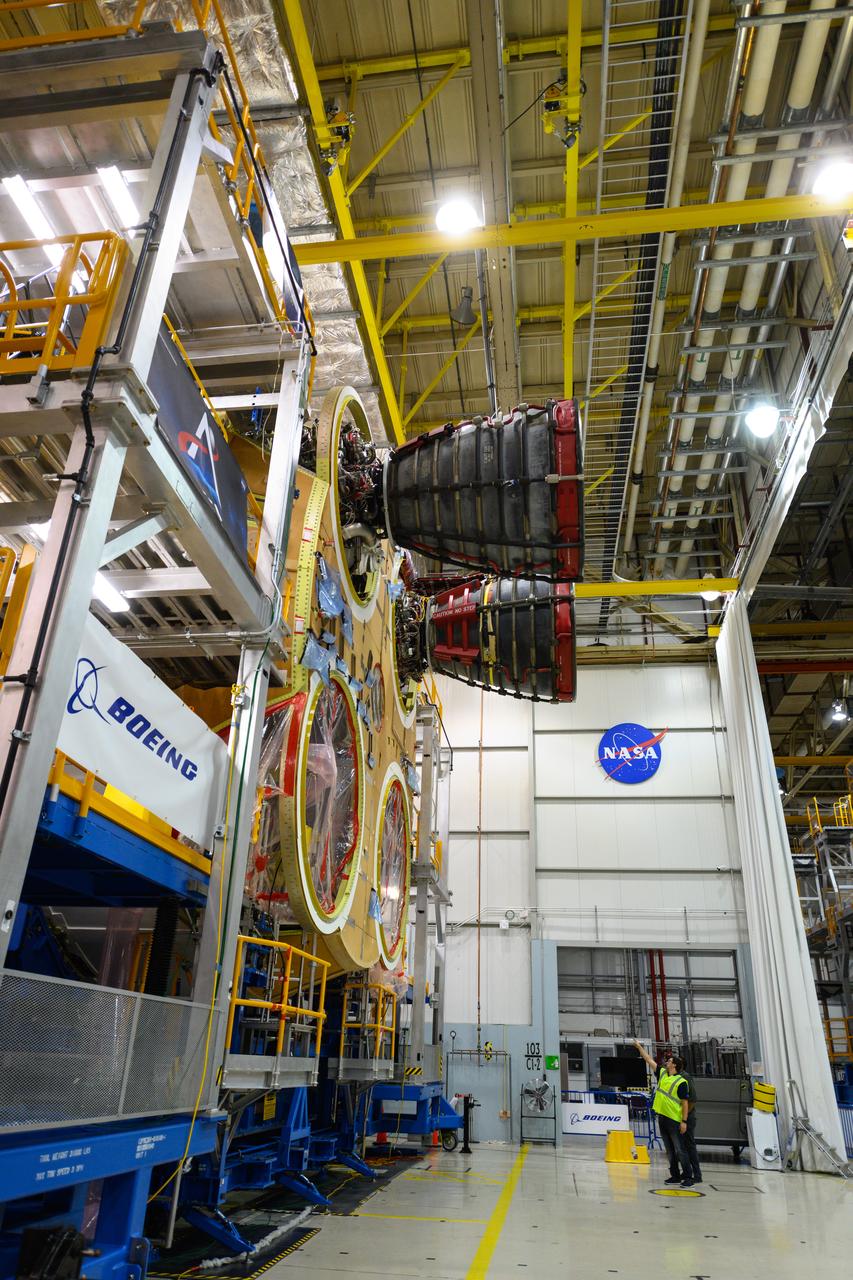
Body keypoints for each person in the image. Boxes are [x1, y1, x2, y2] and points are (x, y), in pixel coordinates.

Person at [632, 1040, 696, 1188]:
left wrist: (684, 1122)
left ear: (675, 1065)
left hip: (674, 1120)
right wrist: (639, 1047)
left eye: (670, 1061)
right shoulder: (662, 1073)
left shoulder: (681, 1082)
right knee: (669, 1150)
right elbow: (648, 1060)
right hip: (662, 1118)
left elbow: (685, 1103)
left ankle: (688, 1177)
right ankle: (674, 1175)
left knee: (680, 1150)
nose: (667, 1062)